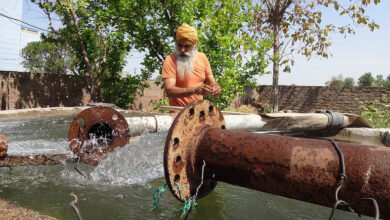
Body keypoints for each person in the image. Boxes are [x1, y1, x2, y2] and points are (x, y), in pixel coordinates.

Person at [162, 23, 221, 108]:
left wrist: (215, 88)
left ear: (194, 45)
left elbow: (212, 81)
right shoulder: (170, 60)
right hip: (178, 114)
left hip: (199, 113)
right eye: (179, 45)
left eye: (187, 46)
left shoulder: (202, 57)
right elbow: (169, 91)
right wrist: (194, 90)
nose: (182, 49)